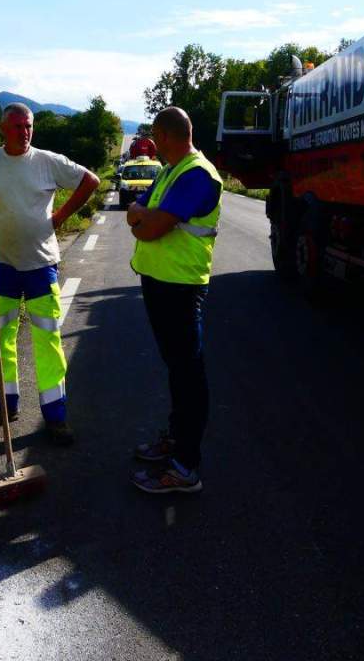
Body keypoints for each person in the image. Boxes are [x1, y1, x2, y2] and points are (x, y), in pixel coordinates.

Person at [0, 103, 99, 445]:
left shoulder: (48, 161)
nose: (25, 132)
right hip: (1, 264)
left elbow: (89, 181)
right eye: (17, 127)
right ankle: (5, 404)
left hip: (41, 265)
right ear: (2, 129)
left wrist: (60, 217)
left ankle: (55, 414)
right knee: (2, 336)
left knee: (47, 338)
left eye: (29, 126)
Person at [126, 106, 222, 494]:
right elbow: (140, 213)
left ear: (165, 136)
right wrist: (140, 215)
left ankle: (186, 467)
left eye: (154, 136)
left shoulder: (197, 174)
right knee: (177, 369)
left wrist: (141, 217)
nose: (152, 143)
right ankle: (177, 442)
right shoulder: (170, 170)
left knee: (188, 373)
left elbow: (150, 229)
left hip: (181, 287)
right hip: (160, 283)